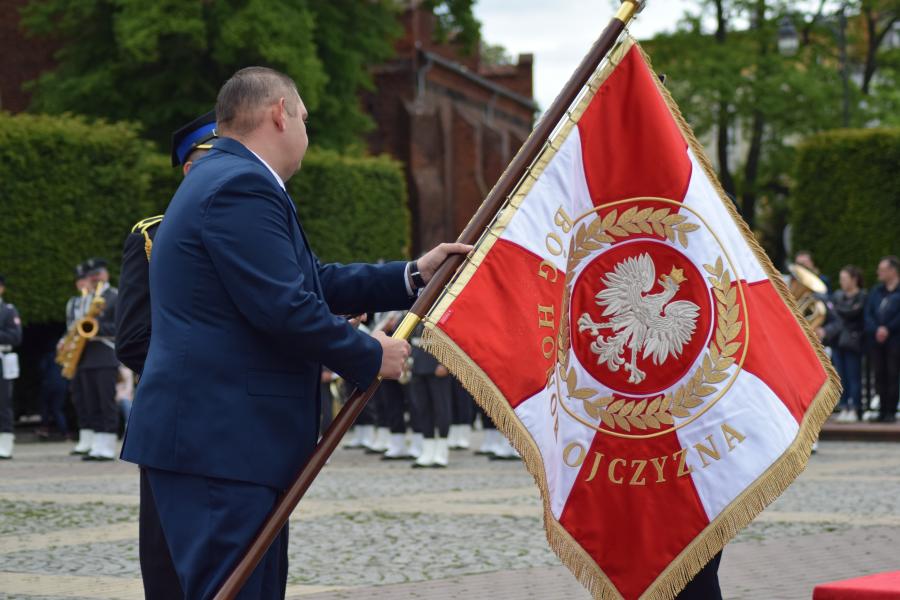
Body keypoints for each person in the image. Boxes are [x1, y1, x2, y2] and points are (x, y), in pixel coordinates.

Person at [120, 66, 470, 599]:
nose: (307, 132)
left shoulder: (231, 179)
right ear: (278, 114)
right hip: (223, 443)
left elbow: (309, 283)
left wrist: (413, 274)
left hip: (220, 443)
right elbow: (284, 306)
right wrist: (369, 354)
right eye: (304, 118)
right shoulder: (241, 184)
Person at [115, 110, 217, 600]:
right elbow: (134, 338)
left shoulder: (262, 226)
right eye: (211, 159)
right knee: (169, 565)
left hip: (244, 423)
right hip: (177, 417)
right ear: (187, 170)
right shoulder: (153, 236)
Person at [71, 258, 119, 460]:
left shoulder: (115, 296)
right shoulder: (85, 299)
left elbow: (120, 327)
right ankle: (97, 446)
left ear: (105, 274)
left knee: (105, 401)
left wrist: (97, 328)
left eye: (98, 274)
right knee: (92, 403)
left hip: (106, 354)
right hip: (86, 357)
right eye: (91, 275)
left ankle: (108, 446)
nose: (94, 278)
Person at [825, 266, 867, 422]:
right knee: (840, 376)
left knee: (853, 376)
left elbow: (853, 313)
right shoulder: (837, 295)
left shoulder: (862, 296)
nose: (841, 282)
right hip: (838, 340)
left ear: (854, 279)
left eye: (845, 278)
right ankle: (844, 406)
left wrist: (838, 309)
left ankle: (855, 407)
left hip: (853, 341)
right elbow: (832, 313)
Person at [409, 324, 453, 468]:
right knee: (423, 409)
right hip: (417, 365)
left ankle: (441, 451)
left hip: (437, 365)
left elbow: (451, 336)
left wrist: (446, 363)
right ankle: (427, 450)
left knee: (442, 409)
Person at [865, 256, 900, 423]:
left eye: (883, 270)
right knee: (879, 375)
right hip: (876, 341)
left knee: (893, 374)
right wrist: (877, 329)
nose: (879, 273)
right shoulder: (876, 291)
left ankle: (891, 411)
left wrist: (888, 329)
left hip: (894, 340)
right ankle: (882, 409)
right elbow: (868, 312)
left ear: (893, 271)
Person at [0, 274, 23, 459]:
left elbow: (15, 337)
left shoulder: (8, 310)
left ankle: (5, 443)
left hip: (2, 358)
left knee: (3, 402)